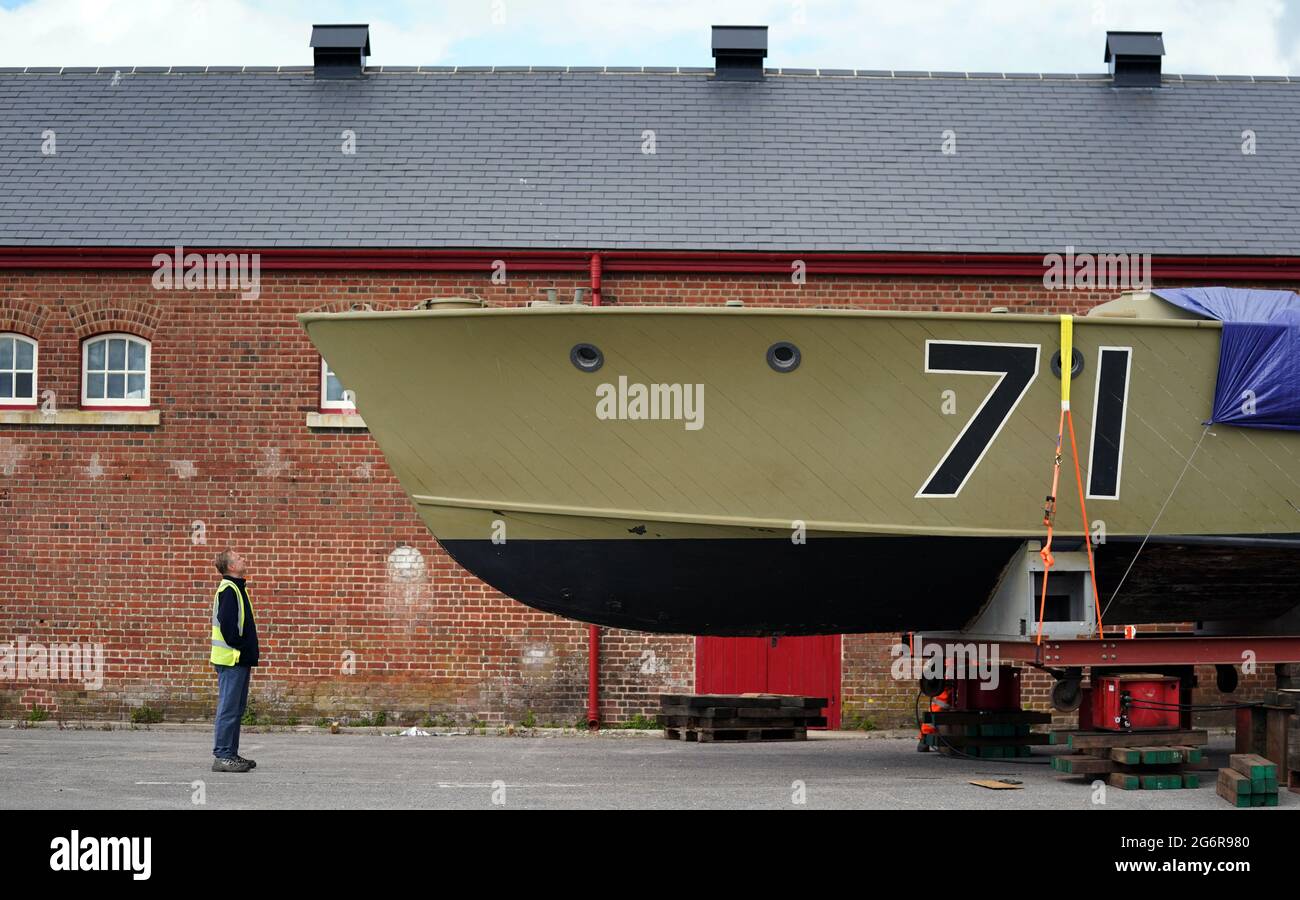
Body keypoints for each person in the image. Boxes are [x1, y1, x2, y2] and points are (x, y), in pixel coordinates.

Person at [209, 549, 259, 773]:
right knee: (228, 709)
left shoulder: (237, 589)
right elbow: (229, 627)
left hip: (238, 659)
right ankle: (222, 755)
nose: (244, 559)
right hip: (231, 659)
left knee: (236, 709)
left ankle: (231, 753)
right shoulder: (229, 590)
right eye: (238, 558)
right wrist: (241, 645)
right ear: (230, 567)